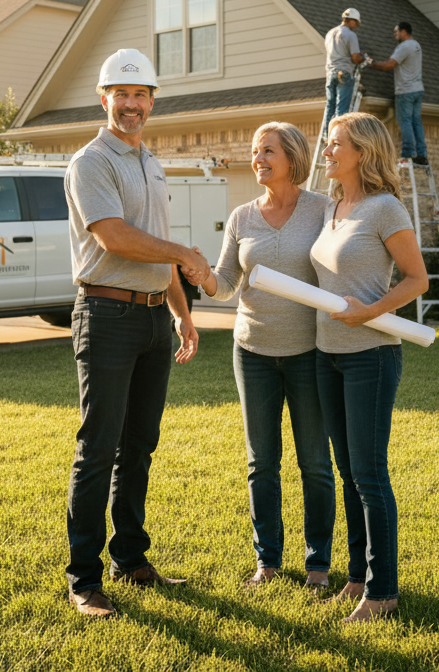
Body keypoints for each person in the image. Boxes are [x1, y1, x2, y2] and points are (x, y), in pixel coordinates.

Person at [64, 48, 211, 619]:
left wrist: (181, 311)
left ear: (152, 101)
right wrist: (185, 255)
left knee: (139, 447)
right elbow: (115, 238)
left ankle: (131, 558)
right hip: (105, 317)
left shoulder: (150, 162)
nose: (131, 105)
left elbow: (157, 251)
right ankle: (83, 579)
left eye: (140, 95)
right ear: (105, 99)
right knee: (98, 449)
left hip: (153, 317)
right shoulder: (90, 162)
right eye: (121, 95)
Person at [199, 122, 336, 590]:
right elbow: (225, 283)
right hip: (252, 351)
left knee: (315, 461)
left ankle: (318, 564)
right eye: (255, 151)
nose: (258, 158)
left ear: (293, 157)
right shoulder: (242, 217)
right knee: (262, 462)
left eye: (268, 151)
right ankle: (268, 562)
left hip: (308, 352)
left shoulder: (322, 209)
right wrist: (202, 275)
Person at [311, 111, 428, 622]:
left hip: (371, 356)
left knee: (369, 475)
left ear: (363, 151)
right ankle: (358, 576)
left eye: (336, 144)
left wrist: (370, 311)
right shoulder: (335, 206)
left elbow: (416, 279)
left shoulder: (384, 210)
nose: (327, 150)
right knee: (347, 472)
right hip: (326, 353)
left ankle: (383, 593)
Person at [367, 22, 426, 165]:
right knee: (416, 123)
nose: (395, 35)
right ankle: (422, 155)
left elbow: (390, 65)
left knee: (405, 121)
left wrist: (371, 63)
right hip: (418, 89)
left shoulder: (404, 46)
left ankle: (408, 153)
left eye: (396, 32)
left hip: (405, 91)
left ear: (404, 32)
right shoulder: (416, 45)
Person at [321, 8, 365, 139]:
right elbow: (355, 58)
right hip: (344, 74)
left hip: (330, 74)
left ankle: (326, 135)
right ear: (352, 21)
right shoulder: (350, 35)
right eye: (356, 24)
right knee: (342, 109)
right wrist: (364, 58)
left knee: (330, 105)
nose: (355, 28)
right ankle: (338, 137)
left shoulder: (330, 33)